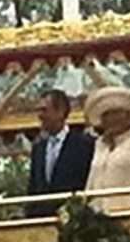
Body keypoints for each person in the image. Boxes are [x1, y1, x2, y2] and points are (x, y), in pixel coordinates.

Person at [83, 87, 130, 214]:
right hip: (98, 218)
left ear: (128, 115)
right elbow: (91, 183)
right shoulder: (100, 144)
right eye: (106, 115)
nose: (112, 119)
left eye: (116, 113)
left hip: (127, 216)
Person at [27, 89, 95, 218]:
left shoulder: (83, 144)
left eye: (44, 110)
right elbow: (33, 188)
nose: (40, 115)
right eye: (38, 110)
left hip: (74, 219)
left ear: (61, 112)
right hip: (42, 221)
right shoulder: (38, 148)